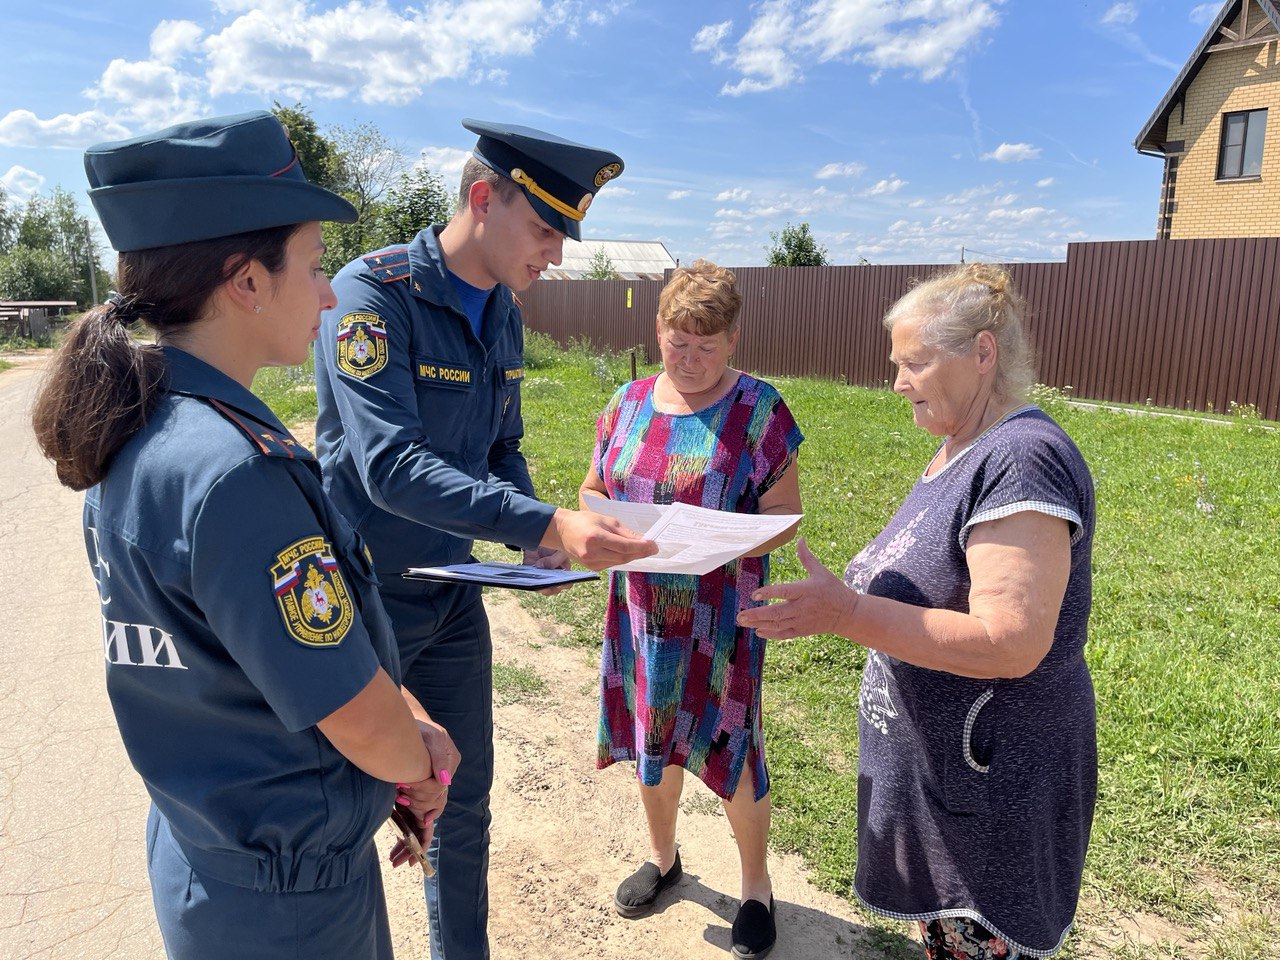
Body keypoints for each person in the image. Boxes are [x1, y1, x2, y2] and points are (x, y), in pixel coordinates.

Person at [30, 111, 456, 960]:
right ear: (246, 282)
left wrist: (398, 717)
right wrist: (421, 758)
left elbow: (251, 658)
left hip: (206, 859)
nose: (331, 292)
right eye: (313, 263)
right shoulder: (236, 473)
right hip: (290, 909)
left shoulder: (142, 430)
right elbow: (362, 729)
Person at [313, 118, 657, 960]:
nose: (559, 254)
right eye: (546, 229)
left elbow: (500, 446)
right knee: (342, 813)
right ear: (481, 199)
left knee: (461, 804)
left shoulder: (503, 311)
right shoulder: (373, 296)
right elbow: (389, 466)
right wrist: (549, 522)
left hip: (453, 599)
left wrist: (534, 532)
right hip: (361, 608)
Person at [739, 264, 1096, 960]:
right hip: (957, 792)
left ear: (983, 354)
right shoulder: (963, 446)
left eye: (916, 363)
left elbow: (1011, 641)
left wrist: (847, 614)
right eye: (897, 364)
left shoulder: (1023, 458)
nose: (898, 382)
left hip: (994, 803)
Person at [581, 260, 804, 960]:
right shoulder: (626, 402)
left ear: (733, 339)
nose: (691, 357)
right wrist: (603, 524)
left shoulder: (759, 410)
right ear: (657, 330)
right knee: (654, 740)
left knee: (732, 747)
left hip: (723, 619)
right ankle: (663, 856)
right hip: (643, 611)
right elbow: (592, 488)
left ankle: (756, 887)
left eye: (707, 346)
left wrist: (724, 540)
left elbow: (786, 516)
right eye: (679, 342)